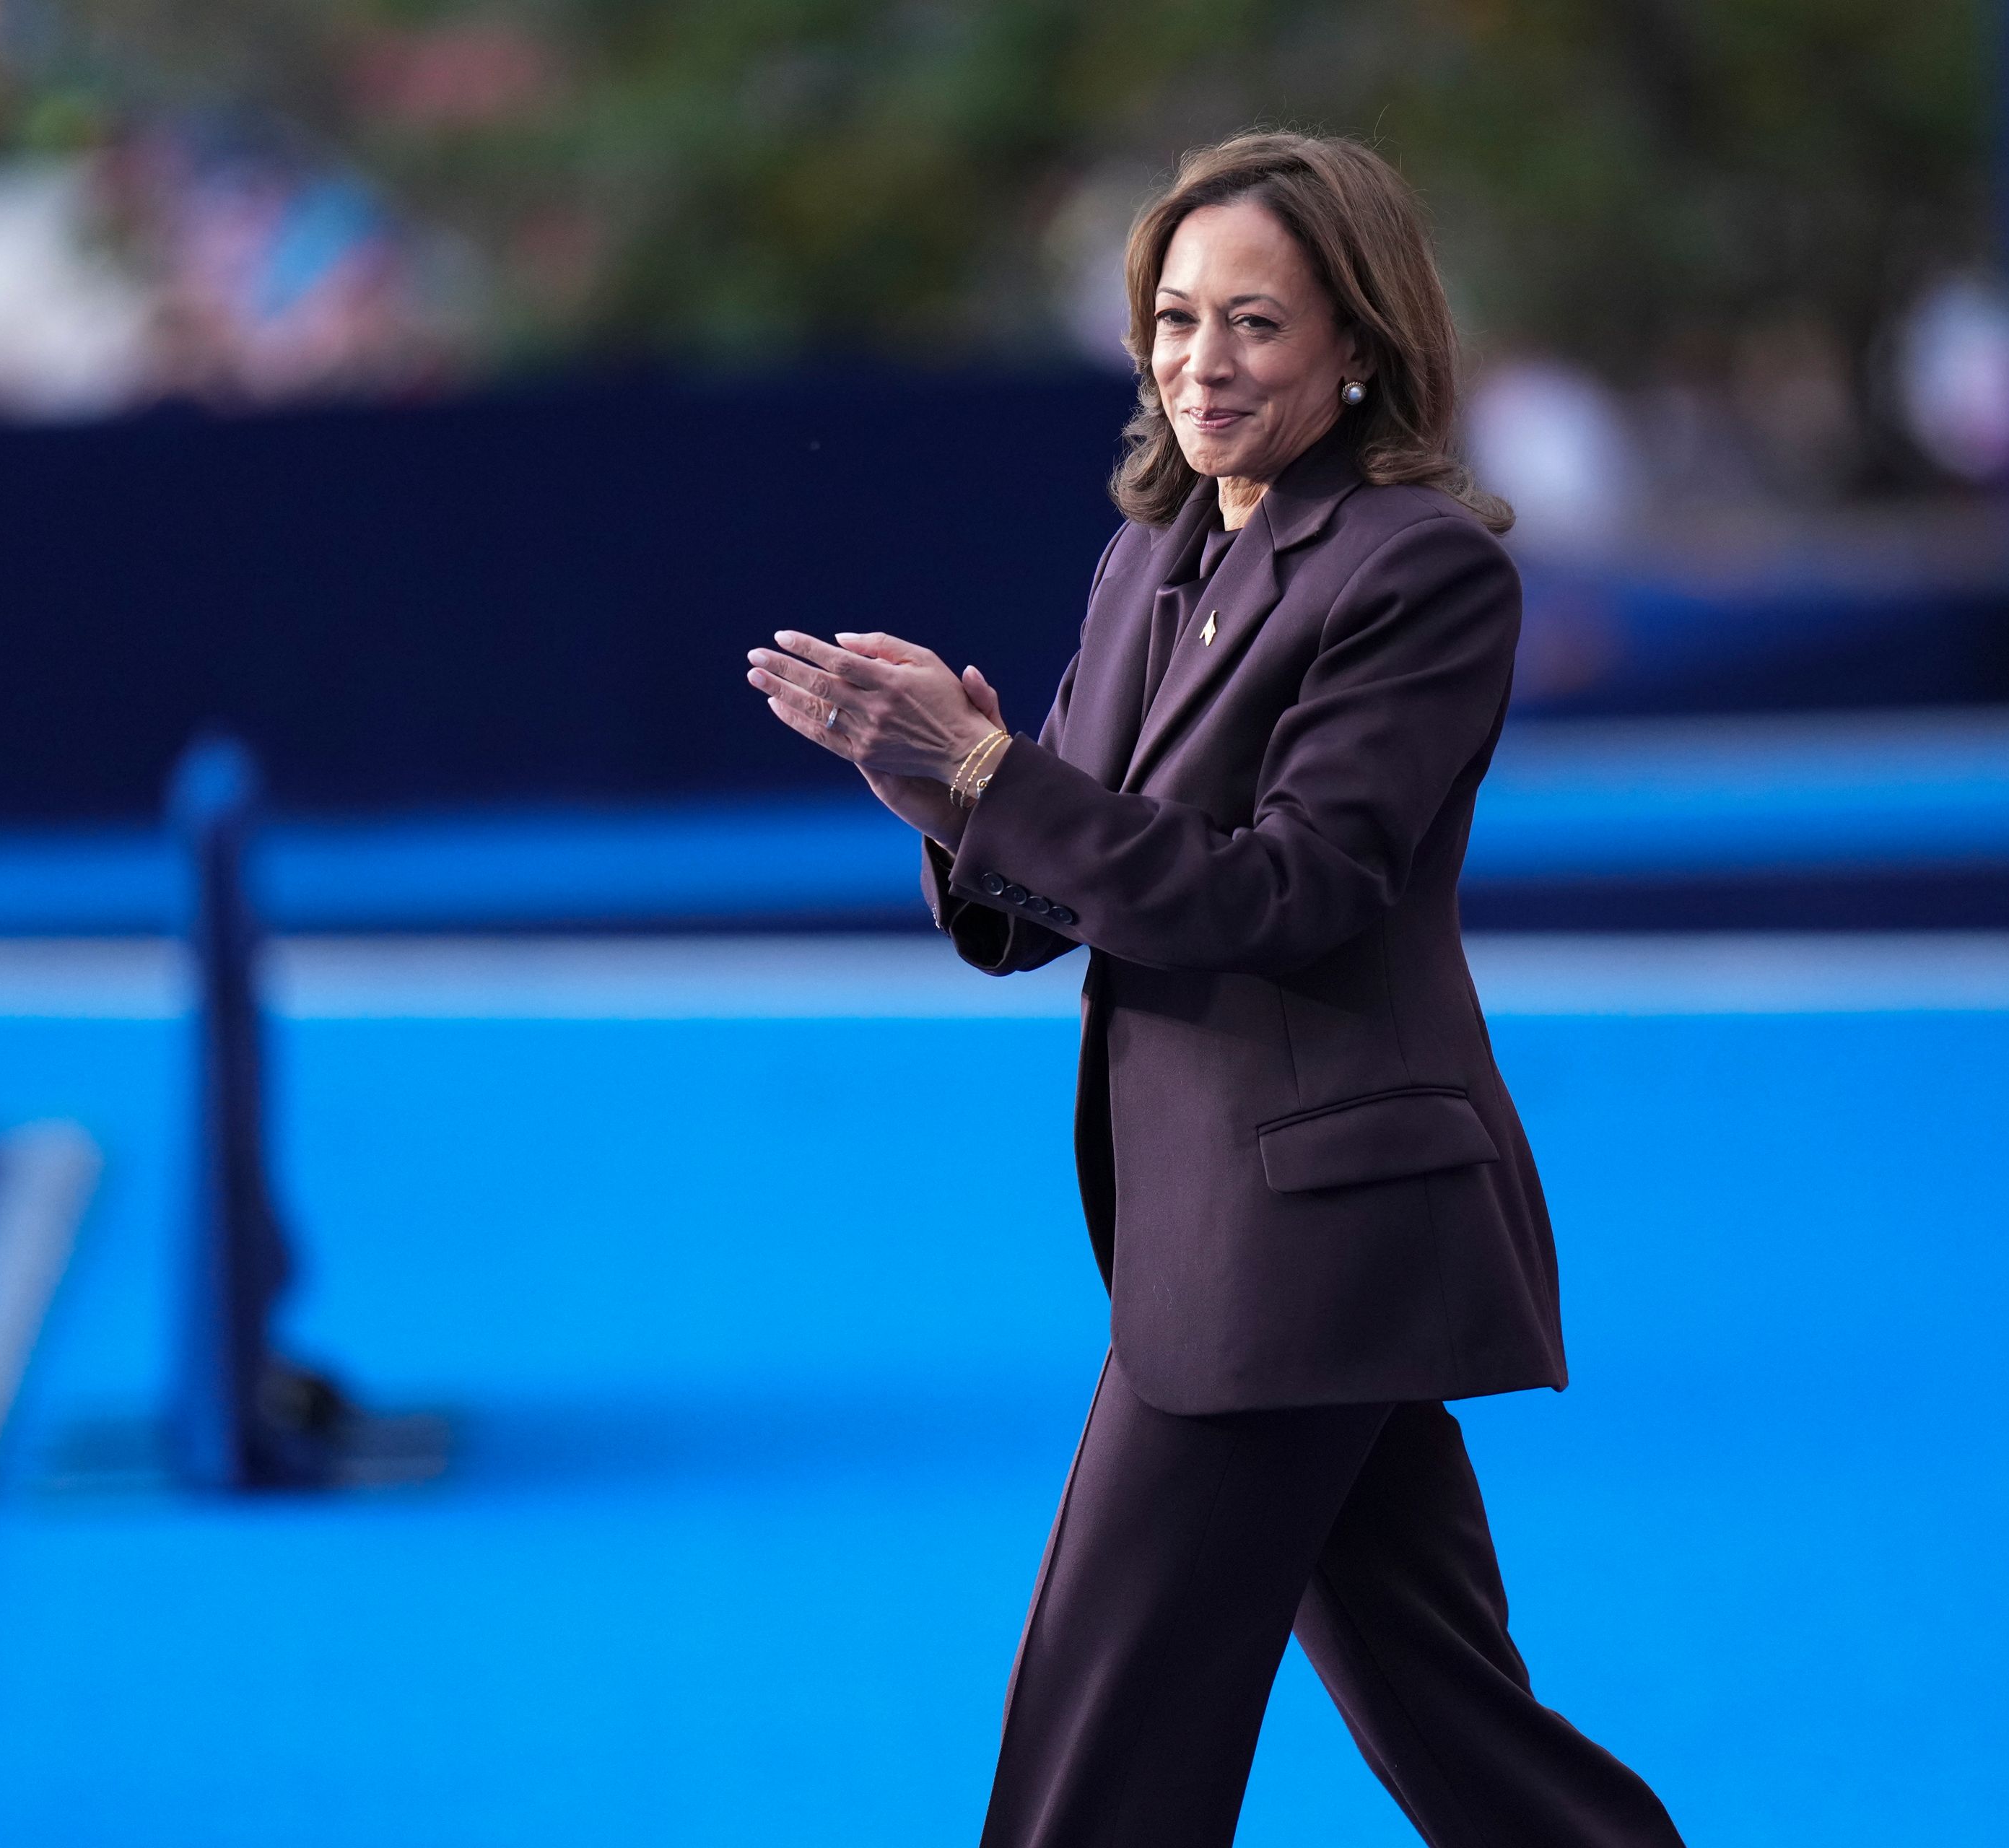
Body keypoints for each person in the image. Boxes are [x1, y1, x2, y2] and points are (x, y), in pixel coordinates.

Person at [746, 133, 1686, 1847]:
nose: (1200, 359)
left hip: (1301, 1245)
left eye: (1251, 321)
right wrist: (948, 800)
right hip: (1225, 1230)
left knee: (1093, 1761)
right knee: (1454, 1722)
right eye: (1173, 316)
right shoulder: (1151, 557)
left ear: (1357, 343)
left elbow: (1287, 888)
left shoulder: (1418, 570)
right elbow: (1062, 887)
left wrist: (989, 769)